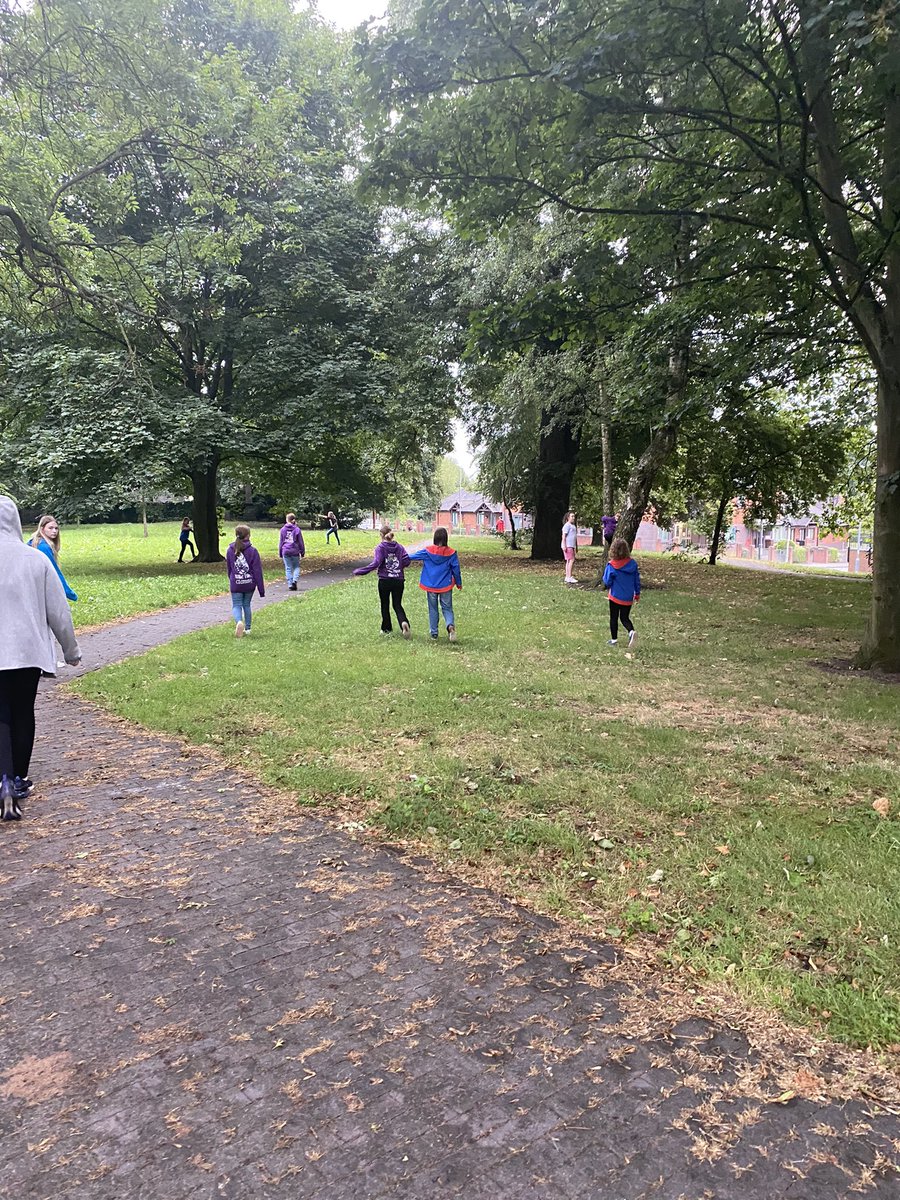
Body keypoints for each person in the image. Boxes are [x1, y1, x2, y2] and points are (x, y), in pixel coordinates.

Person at [1, 496, 81, 820]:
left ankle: (3, 779)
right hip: (27, 651)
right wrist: (70, 650)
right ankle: (18, 777)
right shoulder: (35, 560)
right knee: (22, 712)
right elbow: (58, 610)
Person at [352, 524, 412, 636]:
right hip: (398, 580)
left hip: (385, 580)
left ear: (381, 535)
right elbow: (407, 561)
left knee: (385, 604)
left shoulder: (380, 548)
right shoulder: (400, 547)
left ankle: (386, 629)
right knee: (397, 604)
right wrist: (399, 567)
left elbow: (376, 563)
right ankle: (404, 622)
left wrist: (360, 571)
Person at [408, 527, 462, 642]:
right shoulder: (451, 553)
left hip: (430, 585)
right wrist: (458, 583)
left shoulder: (427, 551)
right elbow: (456, 569)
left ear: (435, 538)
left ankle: (434, 633)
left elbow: (411, 557)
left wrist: (398, 556)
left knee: (433, 609)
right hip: (446, 585)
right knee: (447, 608)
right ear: (446, 538)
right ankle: (450, 626)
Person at [226, 524, 265, 638]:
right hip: (249, 584)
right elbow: (257, 571)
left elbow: (229, 568)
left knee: (236, 605)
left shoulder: (230, 550)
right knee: (246, 605)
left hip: (236, 583)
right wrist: (261, 590)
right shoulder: (253, 551)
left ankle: (239, 622)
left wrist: (233, 579)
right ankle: (248, 628)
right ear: (248, 535)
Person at [28, 514, 77, 601]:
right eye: (50, 528)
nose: (54, 531)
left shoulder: (34, 542)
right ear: (42, 529)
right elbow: (54, 572)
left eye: (56, 528)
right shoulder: (43, 547)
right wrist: (69, 592)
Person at [603, 536, 641, 648]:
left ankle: (614, 640)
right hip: (628, 597)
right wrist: (637, 593)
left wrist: (609, 584)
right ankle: (631, 632)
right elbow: (636, 580)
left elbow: (607, 581)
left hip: (615, 596)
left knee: (613, 617)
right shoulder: (633, 564)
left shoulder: (612, 565)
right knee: (625, 617)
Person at [278, 512, 306, 591]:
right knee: (296, 567)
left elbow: (281, 542)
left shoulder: (283, 529)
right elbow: (301, 542)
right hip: (295, 550)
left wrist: (280, 552)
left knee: (288, 568)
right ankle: (294, 581)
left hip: (286, 550)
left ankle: (290, 584)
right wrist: (302, 551)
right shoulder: (297, 529)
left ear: (287, 520)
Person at [561, 511, 578, 584]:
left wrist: (576, 546)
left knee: (569, 561)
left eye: (574, 516)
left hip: (572, 545)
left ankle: (568, 576)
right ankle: (569, 577)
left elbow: (574, 537)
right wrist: (564, 545)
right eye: (572, 516)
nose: (573, 518)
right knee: (571, 560)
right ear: (568, 518)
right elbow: (564, 536)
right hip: (568, 546)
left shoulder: (573, 526)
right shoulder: (567, 526)